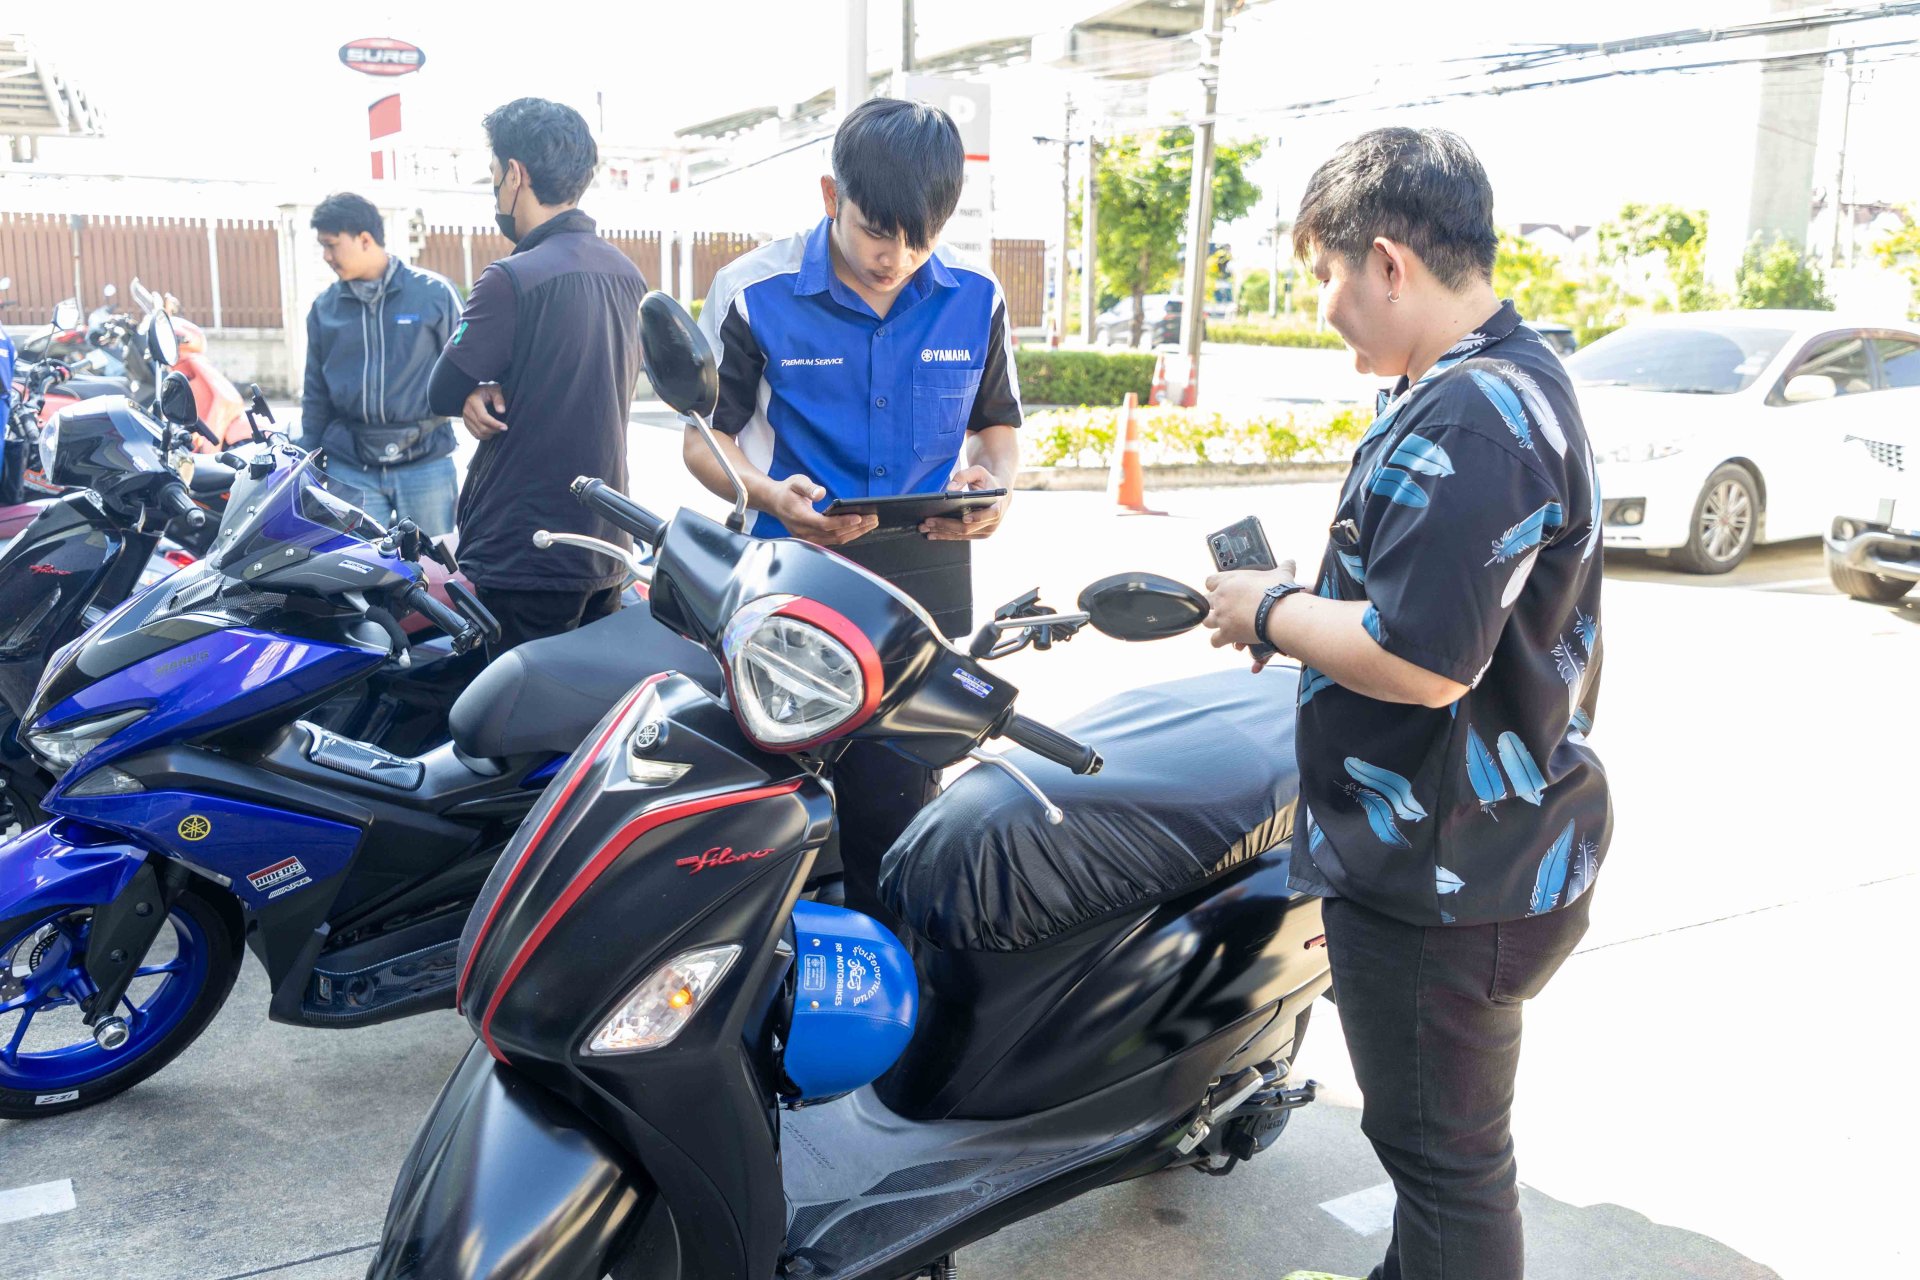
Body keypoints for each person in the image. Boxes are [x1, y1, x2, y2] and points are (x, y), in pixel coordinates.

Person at [1201, 127, 1610, 1280]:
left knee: (1445, 1162)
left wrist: (1272, 609)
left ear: (1387, 261)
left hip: (1444, 866)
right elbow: (1440, 611)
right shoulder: (1504, 377)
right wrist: (1302, 608)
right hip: (1477, 840)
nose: (1321, 304)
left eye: (1322, 274)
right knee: (1442, 1147)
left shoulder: (1472, 415)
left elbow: (1426, 660)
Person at [687, 96, 1022, 923]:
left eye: (921, 238)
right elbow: (704, 443)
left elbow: (998, 430)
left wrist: (991, 489)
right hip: (783, 599)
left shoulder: (975, 299)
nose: (895, 258)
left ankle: (885, 982)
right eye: (877, 232)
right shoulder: (753, 293)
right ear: (831, 195)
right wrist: (771, 494)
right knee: (760, 829)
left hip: (914, 608)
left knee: (895, 832)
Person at [428, 97, 648, 652]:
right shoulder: (627, 275)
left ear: (515, 174)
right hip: (605, 540)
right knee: (589, 701)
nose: (493, 188)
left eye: (492, 173)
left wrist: (475, 387)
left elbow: (441, 389)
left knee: (516, 703)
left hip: (527, 549)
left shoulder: (512, 278)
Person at [300, 192, 463, 534]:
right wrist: (307, 462)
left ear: (364, 239)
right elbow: (315, 393)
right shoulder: (324, 309)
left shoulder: (434, 293)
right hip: (350, 468)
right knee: (353, 562)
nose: (326, 256)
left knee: (432, 562)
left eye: (331, 245)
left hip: (426, 463)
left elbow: (468, 367)